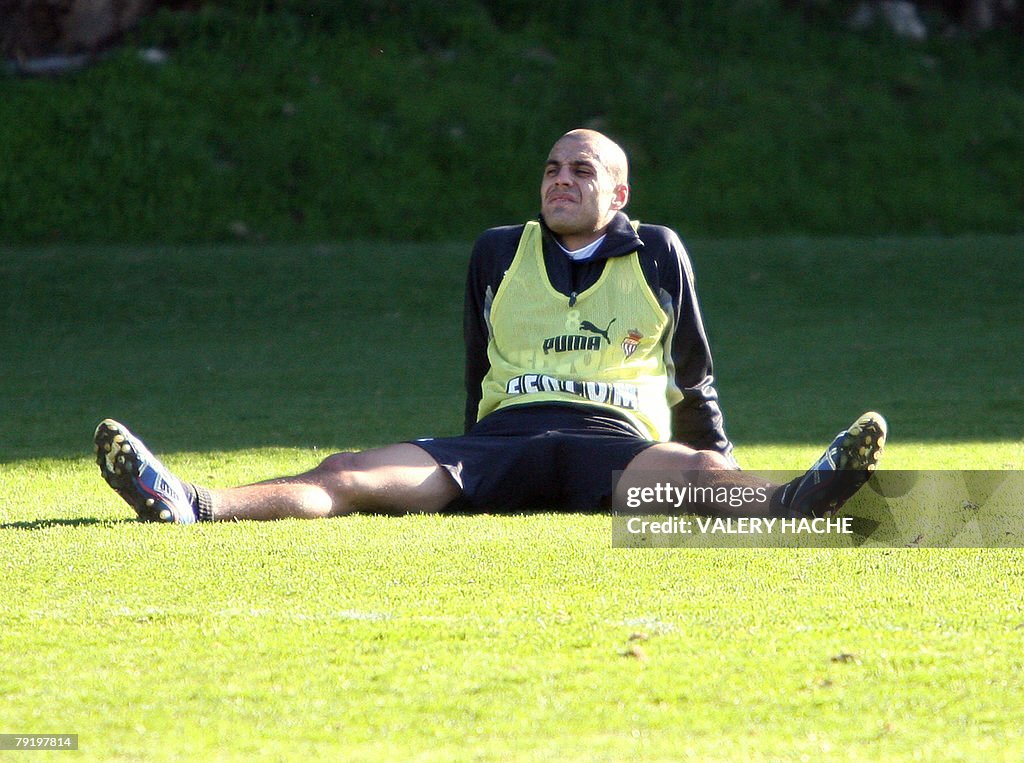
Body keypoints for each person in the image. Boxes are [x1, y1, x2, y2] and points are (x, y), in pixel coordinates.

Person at [93, 129, 887, 525]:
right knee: (344, 470)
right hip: (500, 442)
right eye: (551, 168)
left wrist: (715, 453)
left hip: (614, 441)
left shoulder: (658, 253)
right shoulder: (497, 252)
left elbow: (694, 376)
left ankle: (796, 499)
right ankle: (192, 502)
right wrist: (469, 462)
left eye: (582, 170)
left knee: (703, 477)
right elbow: (477, 371)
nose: (561, 179)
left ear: (619, 192)